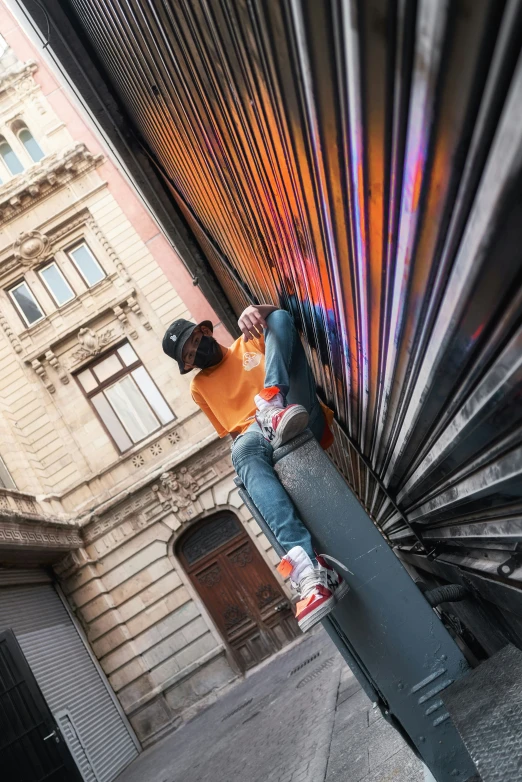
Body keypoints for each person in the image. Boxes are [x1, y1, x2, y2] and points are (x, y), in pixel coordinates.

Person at [162, 304, 348, 632]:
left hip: (296, 407)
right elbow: (236, 432)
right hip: (262, 434)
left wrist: (260, 309)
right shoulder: (198, 388)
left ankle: (271, 400)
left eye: (193, 341)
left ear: (204, 330)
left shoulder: (248, 341)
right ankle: (309, 571)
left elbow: (285, 326)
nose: (195, 352)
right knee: (242, 449)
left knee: (277, 317)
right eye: (189, 356)